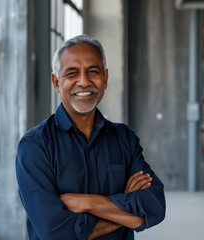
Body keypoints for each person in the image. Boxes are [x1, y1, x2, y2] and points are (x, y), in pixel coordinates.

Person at [16, 34, 165, 240]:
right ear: (56, 82)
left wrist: (87, 203)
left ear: (105, 78)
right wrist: (128, 216)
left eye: (93, 71)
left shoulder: (125, 139)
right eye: (72, 73)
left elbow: (155, 206)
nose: (84, 81)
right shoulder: (35, 146)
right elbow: (55, 233)